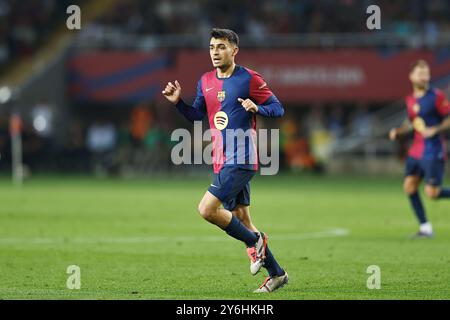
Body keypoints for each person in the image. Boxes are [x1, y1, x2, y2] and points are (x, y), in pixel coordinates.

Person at [162, 28, 288, 293]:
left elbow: (278, 108)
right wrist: (178, 104)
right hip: (220, 159)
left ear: (234, 50)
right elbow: (197, 115)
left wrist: (258, 108)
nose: (215, 52)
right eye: (211, 47)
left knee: (207, 209)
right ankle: (277, 274)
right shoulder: (205, 80)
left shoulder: (249, 79)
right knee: (241, 217)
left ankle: (256, 241)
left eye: (220, 47)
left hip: (242, 157)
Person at [389, 60, 450, 238]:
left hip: (433, 150)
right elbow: (412, 122)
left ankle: (426, 227)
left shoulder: (436, 96)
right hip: (416, 150)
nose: (425, 77)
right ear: (411, 76)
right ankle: (425, 228)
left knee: (432, 193)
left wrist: (436, 129)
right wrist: (399, 131)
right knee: (409, 186)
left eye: (427, 74)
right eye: (421, 74)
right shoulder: (410, 99)